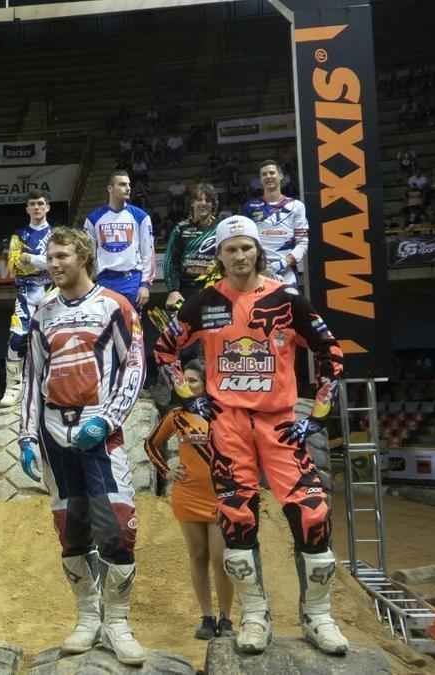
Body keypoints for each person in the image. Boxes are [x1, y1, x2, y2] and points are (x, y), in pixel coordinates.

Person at [153, 215, 347, 656]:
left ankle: (319, 617)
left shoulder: (287, 299)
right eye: (231, 248)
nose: (239, 256)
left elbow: (331, 353)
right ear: (218, 255)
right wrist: (189, 399)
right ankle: (254, 615)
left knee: (313, 514)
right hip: (229, 426)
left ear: (258, 250)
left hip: (280, 422)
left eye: (246, 247)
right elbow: (164, 348)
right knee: (237, 520)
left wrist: (317, 414)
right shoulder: (204, 301)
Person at [17, 227, 148, 665]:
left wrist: (110, 419)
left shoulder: (115, 306)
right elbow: (30, 377)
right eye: (49, 258)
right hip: (55, 433)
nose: (53, 264)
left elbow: (134, 368)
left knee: (117, 526)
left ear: (84, 257)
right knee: (71, 531)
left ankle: (119, 623)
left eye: (61, 256)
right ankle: (87, 617)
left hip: (99, 430)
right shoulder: (42, 312)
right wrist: (27, 434)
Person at [142, 360, 234, 640]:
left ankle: (226, 619)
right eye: (184, 381)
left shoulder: (224, 413)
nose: (188, 385)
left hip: (220, 496)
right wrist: (166, 470)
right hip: (188, 494)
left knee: (220, 559)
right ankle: (207, 617)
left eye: (193, 380)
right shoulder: (177, 415)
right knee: (198, 557)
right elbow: (151, 444)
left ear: (207, 382)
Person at [0, 190, 53, 408]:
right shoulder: (18, 235)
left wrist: (30, 258)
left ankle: (51, 385)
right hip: (26, 294)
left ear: (47, 207)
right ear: (27, 209)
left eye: (41, 203)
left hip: (52, 292)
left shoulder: (57, 235)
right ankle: (13, 386)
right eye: (33, 204)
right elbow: (14, 264)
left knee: (52, 340)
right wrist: (44, 261)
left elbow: (57, 263)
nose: (37, 207)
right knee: (17, 338)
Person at [82, 170, 154, 308]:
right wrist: (88, 281)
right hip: (104, 280)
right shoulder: (93, 218)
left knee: (132, 327)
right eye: (122, 184)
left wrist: (145, 284)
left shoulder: (141, 216)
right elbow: (88, 254)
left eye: (129, 184)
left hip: (131, 280)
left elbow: (148, 253)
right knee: (106, 327)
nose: (128, 188)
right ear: (110, 188)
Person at [242, 160, 309, 287]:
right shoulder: (249, 206)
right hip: (258, 272)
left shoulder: (296, 206)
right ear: (260, 180)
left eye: (272, 173)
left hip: (287, 273)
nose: (268, 176)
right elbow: (245, 241)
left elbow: (303, 243)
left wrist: (282, 264)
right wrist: (259, 265)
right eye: (264, 174)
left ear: (281, 176)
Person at [163, 183, 220, 309]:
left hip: (216, 289)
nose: (203, 203)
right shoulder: (181, 228)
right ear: (192, 203)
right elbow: (170, 262)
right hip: (187, 290)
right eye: (199, 199)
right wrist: (173, 290)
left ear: (213, 205)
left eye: (208, 200)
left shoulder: (221, 227)